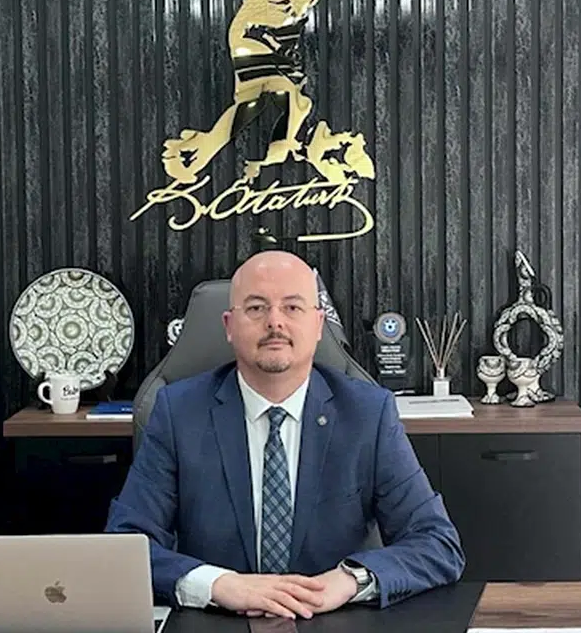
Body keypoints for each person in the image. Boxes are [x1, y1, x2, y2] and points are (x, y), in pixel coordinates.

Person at [105, 251, 464, 619]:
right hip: (218, 622)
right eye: (256, 308)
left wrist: (349, 580)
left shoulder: (367, 414)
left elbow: (437, 544)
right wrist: (218, 585)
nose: (275, 322)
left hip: (334, 620)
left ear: (318, 324)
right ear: (229, 325)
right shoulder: (179, 412)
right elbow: (126, 546)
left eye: (292, 307)